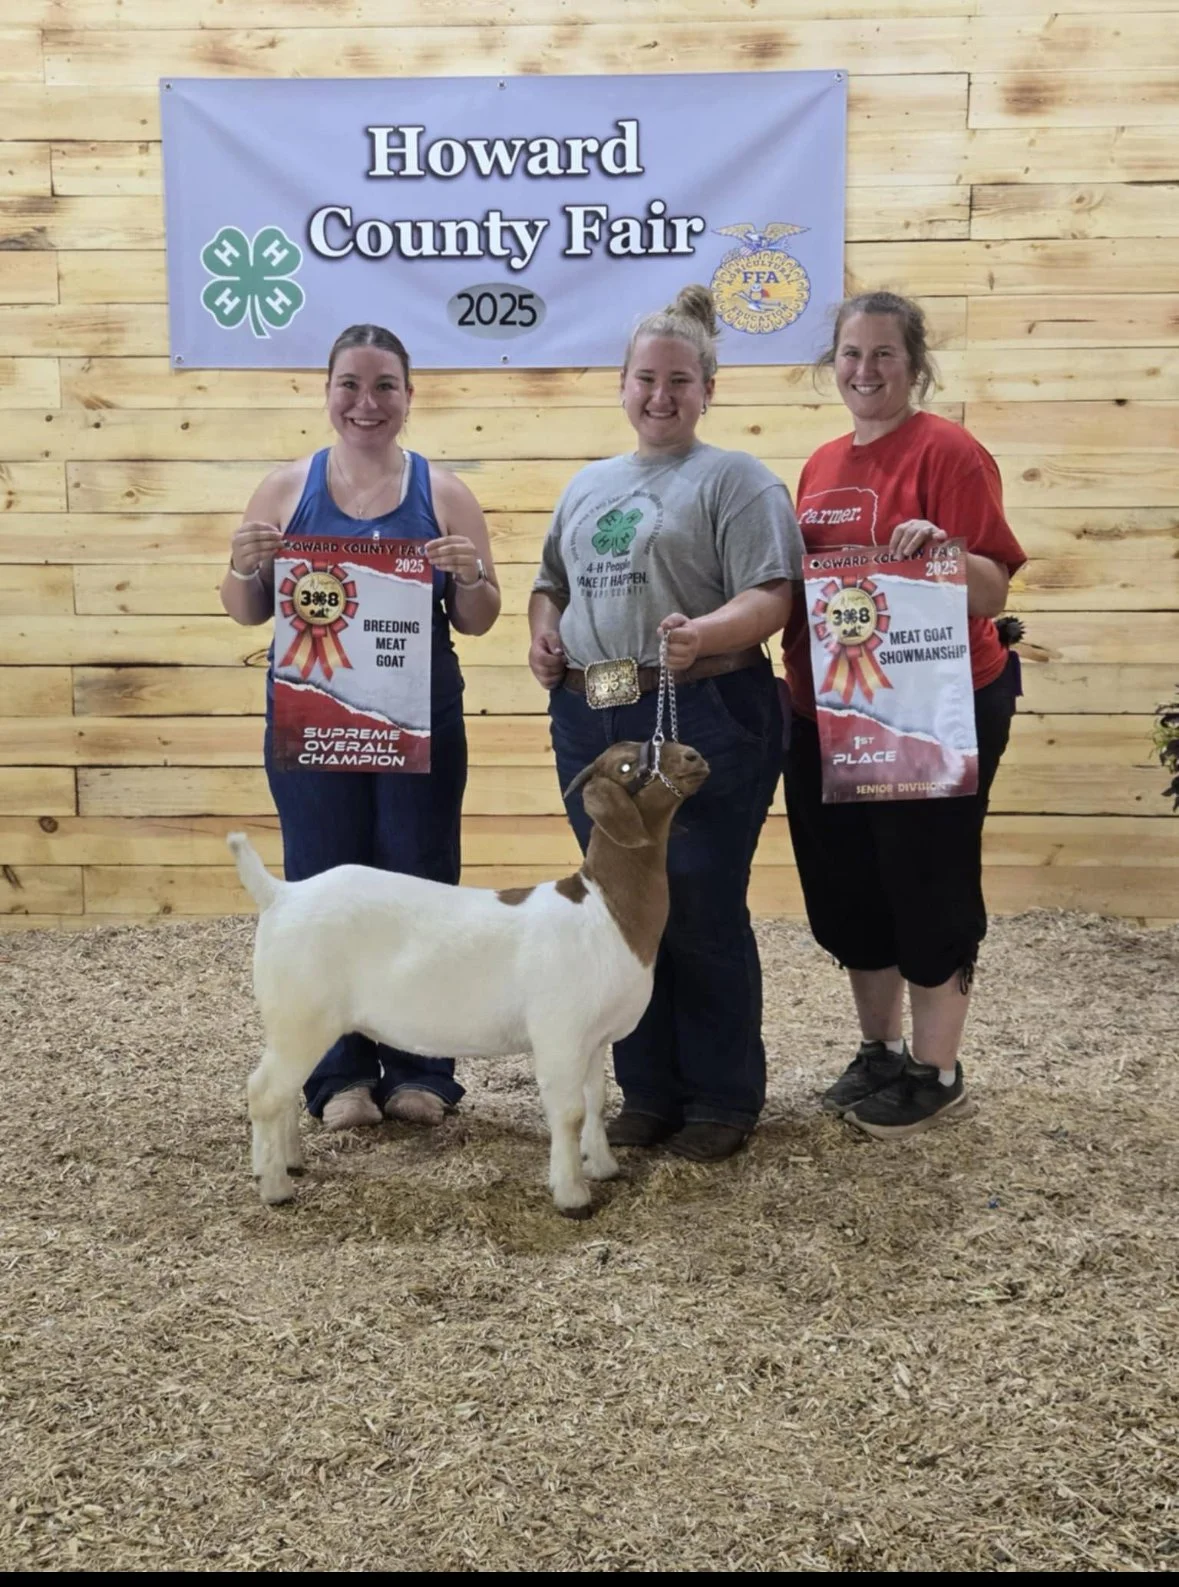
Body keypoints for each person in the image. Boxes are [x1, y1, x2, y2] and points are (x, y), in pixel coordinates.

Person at [528, 285, 803, 1163]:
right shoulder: (586, 484)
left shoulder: (737, 480)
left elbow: (772, 595)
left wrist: (706, 634)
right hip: (591, 712)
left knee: (696, 901)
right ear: (621, 384)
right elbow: (551, 585)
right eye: (645, 378)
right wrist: (543, 632)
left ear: (708, 388)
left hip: (700, 708)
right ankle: (648, 1090)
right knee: (621, 907)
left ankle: (722, 1094)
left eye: (679, 380)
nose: (660, 395)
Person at [220, 323, 501, 1131]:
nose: (366, 402)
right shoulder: (283, 487)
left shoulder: (443, 492)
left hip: (420, 723)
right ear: (327, 391)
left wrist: (471, 576)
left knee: (419, 885)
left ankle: (421, 1069)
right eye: (350, 383)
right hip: (313, 725)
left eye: (384, 386)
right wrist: (244, 563)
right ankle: (335, 1076)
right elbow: (243, 609)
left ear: (409, 397)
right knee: (318, 889)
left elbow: (480, 620)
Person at [781, 289, 1026, 1138]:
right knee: (847, 887)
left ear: (914, 365)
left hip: (930, 710)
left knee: (926, 878)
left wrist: (947, 558)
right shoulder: (816, 466)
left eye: (883, 355)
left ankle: (937, 1066)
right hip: (830, 716)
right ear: (832, 365)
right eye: (850, 354)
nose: (864, 370)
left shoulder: (949, 452)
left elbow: (994, 584)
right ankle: (878, 1049)